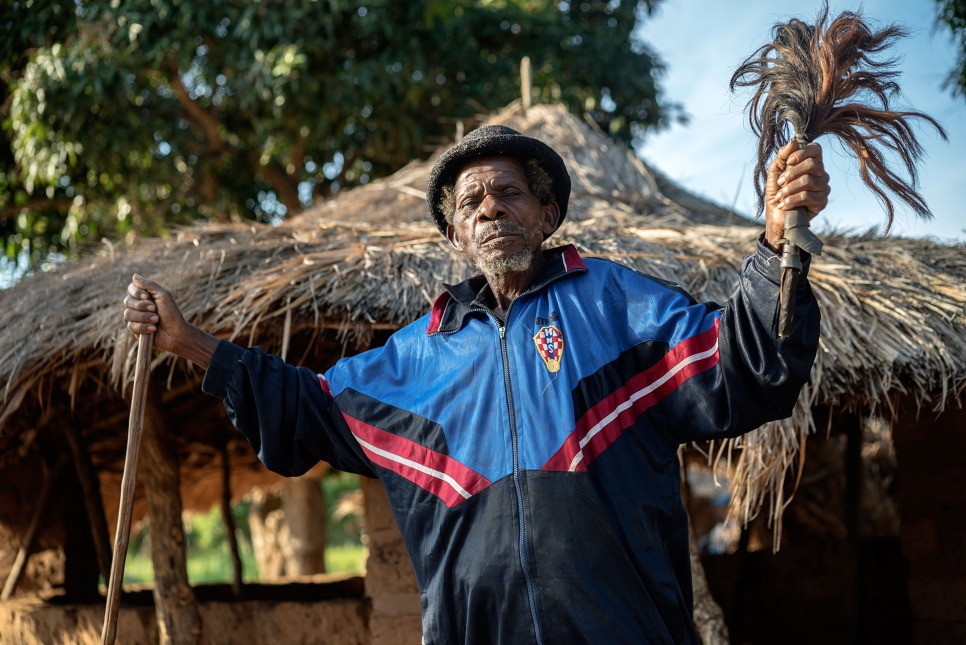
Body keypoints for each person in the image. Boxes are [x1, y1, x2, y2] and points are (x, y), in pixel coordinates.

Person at [124, 124, 829, 644]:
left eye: (509, 192)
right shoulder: (415, 360)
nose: (490, 207)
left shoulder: (617, 307)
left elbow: (743, 361)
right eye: (472, 202)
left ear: (547, 215)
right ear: (456, 233)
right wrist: (186, 340)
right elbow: (302, 404)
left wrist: (775, 247)